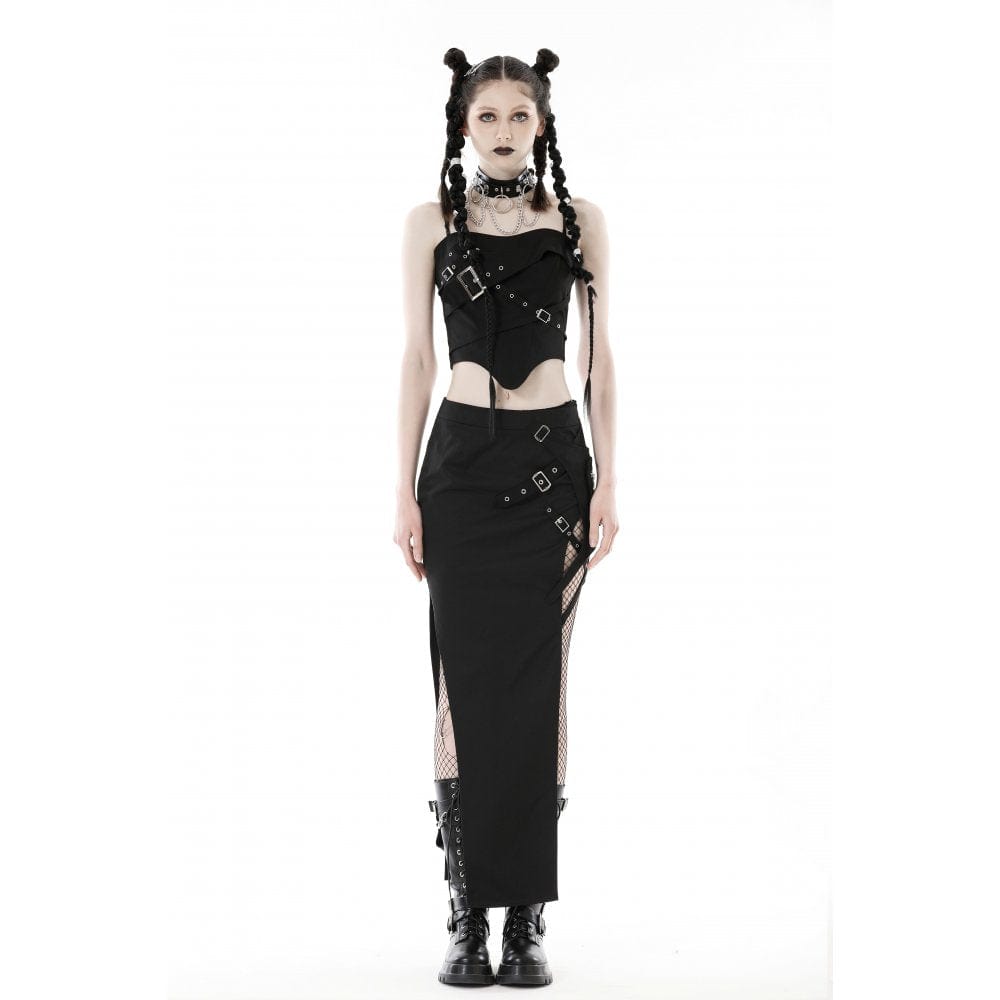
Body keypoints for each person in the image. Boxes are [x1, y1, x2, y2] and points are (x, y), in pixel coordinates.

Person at [394, 47, 620, 987]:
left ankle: (525, 918)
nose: (501, 130)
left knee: (540, 692)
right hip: (457, 475)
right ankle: (465, 909)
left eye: (517, 115)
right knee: (462, 689)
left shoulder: (579, 220)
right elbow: (417, 359)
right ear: (463, 123)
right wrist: (401, 489)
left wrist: (610, 482)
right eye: (485, 115)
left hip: (552, 472)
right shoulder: (430, 223)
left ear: (541, 122)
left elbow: (600, 357)